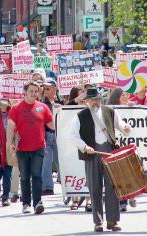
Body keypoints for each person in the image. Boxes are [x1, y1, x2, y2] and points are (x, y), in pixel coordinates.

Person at [69, 87, 131, 232]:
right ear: (86, 101)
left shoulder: (109, 111)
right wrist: (84, 147)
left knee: (113, 187)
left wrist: (126, 128)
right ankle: (98, 222)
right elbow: (72, 136)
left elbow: (120, 124)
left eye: (97, 99)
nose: (95, 101)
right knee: (94, 188)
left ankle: (112, 221)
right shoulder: (80, 116)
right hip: (92, 154)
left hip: (109, 152)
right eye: (91, 99)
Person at [7, 80, 54, 214]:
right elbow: (10, 127)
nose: (34, 94)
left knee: (37, 175)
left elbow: (51, 124)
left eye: (36, 91)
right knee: (25, 177)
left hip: (39, 147)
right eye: (31, 91)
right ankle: (26, 203)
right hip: (22, 148)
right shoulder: (16, 108)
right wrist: (10, 144)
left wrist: (62, 118)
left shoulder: (43, 107)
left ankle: (37, 202)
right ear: (25, 92)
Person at [107, 88, 137, 211]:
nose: (125, 97)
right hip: (117, 144)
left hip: (130, 143)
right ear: (116, 97)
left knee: (130, 171)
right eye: (122, 95)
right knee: (120, 173)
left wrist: (133, 108)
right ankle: (122, 200)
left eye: (126, 95)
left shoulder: (132, 107)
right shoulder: (109, 109)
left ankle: (131, 195)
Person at [40, 79, 61, 196]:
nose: (46, 91)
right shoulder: (42, 103)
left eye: (48, 88)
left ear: (54, 89)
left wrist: (61, 107)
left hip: (59, 134)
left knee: (61, 161)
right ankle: (47, 187)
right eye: (44, 89)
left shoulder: (61, 101)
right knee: (46, 162)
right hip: (47, 134)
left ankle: (67, 185)